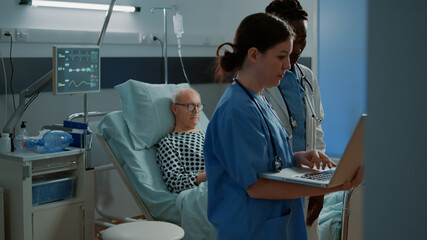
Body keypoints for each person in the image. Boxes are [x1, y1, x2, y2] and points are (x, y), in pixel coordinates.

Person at [204, 13, 362, 239]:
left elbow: (265, 161)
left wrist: (296, 157)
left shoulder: (258, 100)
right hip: (250, 229)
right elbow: (256, 186)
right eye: (281, 56)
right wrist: (331, 186)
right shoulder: (236, 110)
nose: (288, 66)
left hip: (276, 226)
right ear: (254, 55)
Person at [264, 1, 326, 238]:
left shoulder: (307, 77)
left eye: (303, 39)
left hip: (306, 185)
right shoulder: (255, 84)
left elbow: (316, 133)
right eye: (292, 39)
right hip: (275, 191)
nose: (298, 47)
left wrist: (319, 186)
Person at [156, 88, 207, 194]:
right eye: (190, 106)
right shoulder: (169, 143)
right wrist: (211, 174)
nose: (196, 111)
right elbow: (175, 182)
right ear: (175, 109)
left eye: (199, 106)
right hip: (209, 186)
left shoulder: (208, 134)